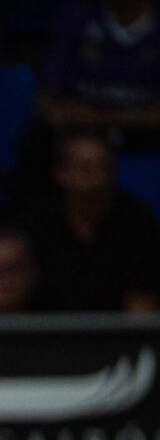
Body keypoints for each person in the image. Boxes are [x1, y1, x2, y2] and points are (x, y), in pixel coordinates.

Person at [18, 132, 160, 312]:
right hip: (43, 333)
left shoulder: (138, 221)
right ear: (60, 173)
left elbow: (141, 305)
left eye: (104, 168)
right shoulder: (35, 221)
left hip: (117, 336)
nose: (96, 180)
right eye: (85, 169)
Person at [39, 0, 160, 143]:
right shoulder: (77, 18)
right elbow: (48, 93)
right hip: (82, 139)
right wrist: (56, 114)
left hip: (147, 141)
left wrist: (103, 118)